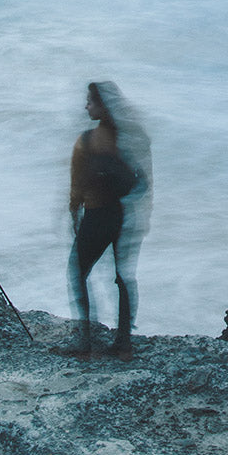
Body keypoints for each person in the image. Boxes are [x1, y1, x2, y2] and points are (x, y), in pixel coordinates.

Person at [66, 81, 152, 360]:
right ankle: (124, 342)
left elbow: (77, 187)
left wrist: (74, 215)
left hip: (95, 215)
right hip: (121, 214)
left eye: (90, 101)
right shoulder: (123, 139)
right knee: (123, 277)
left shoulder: (87, 141)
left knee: (78, 273)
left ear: (101, 106)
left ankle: (85, 342)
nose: (86, 106)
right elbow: (142, 181)